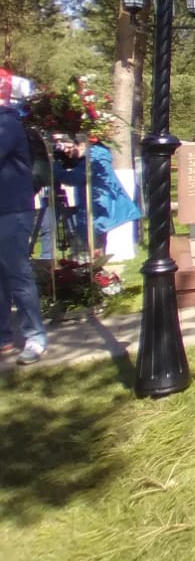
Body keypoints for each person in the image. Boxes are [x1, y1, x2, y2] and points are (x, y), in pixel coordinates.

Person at [0, 73, 47, 364]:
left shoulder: (7, 122)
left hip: (12, 211)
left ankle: (36, 336)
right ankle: (3, 336)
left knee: (17, 274)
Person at [51, 133, 141, 257]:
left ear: (82, 145)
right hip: (99, 206)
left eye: (69, 148)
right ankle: (94, 262)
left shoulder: (92, 158)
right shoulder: (95, 155)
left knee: (91, 246)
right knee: (96, 245)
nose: (66, 151)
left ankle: (91, 263)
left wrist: (54, 167)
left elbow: (73, 178)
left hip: (98, 207)